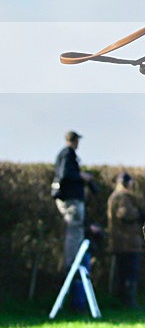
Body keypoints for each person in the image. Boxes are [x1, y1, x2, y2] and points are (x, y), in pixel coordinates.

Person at [52, 130, 95, 311]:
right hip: (71, 200)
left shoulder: (64, 154)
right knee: (74, 230)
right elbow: (66, 174)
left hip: (68, 199)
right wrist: (82, 177)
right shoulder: (68, 154)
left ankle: (74, 257)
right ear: (74, 140)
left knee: (76, 229)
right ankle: (72, 260)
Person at [107, 172, 145, 309]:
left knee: (122, 273)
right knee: (130, 273)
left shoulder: (116, 196)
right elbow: (125, 214)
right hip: (127, 242)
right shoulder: (122, 196)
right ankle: (129, 302)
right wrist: (140, 213)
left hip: (121, 242)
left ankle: (120, 302)